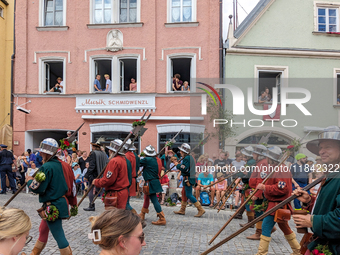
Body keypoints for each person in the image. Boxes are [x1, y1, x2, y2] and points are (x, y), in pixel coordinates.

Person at [292, 126, 340, 255]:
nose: (322, 151)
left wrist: (313, 221)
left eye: (328, 147)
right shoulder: (332, 173)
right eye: (320, 148)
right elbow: (330, 203)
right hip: (323, 242)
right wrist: (309, 201)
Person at [26, 138, 73, 254]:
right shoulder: (62, 165)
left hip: (52, 206)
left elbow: (38, 188)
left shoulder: (46, 167)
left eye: (42, 152)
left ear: (46, 153)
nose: (40, 154)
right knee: (42, 229)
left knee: (58, 234)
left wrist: (29, 181)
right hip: (58, 202)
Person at [254, 146, 300, 255]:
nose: (266, 158)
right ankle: (297, 251)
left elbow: (282, 189)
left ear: (271, 158)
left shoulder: (281, 169)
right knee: (285, 227)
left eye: (267, 157)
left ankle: (261, 253)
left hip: (278, 204)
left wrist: (265, 188)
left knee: (265, 227)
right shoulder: (276, 168)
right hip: (275, 204)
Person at [93, 139, 130, 210]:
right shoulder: (123, 159)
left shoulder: (114, 161)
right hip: (122, 191)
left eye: (110, 150)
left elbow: (108, 180)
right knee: (119, 215)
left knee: (114, 217)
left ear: (112, 151)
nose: (109, 151)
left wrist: (96, 182)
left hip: (116, 193)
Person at [173, 143, 205, 217]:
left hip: (188, 178)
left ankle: (200, 209)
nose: (180, 152)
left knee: (189, 195)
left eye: (181, 151)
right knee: (184, 193)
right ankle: (182, 209)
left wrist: (177, 165)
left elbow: (185, 168)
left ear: (183, 151)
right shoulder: (190, 157)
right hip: (187, 178)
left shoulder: (187, 158)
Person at [247, 144, 271, 240]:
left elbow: (261, 179)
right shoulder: (261, 162)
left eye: (254, 153)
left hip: (260, 192)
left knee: (259, 211)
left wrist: (257, 194)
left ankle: (259, 232)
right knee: (258, 210)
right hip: (258, 190)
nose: (252, 154)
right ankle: (268, 227)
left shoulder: (262, 163)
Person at [138, 145, 166, 225]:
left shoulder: (146, 159)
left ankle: (162, 218)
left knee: (154, 200)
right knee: (147, 197)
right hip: (153, 181)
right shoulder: (155, 159)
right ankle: (142, 214)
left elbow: (137, 163)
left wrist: (138, 156)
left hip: (151, 182)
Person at [83, 139, 109, 211]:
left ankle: (91, 205)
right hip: (101, 174)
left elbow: (92, 166)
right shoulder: (103, 153)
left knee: (90, 189)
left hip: (94, 175)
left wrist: (87, 175)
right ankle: (108, 201)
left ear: (94, 146)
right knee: (99, 189)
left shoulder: (93, 153)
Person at [236, 146, 256, 223]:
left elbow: (248, 173)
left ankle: (251, 221)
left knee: (248, 202)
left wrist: (240, 173)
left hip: (250, 184)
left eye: (245, 155)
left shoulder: (251, 162)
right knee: (245, 201)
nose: (244, 156)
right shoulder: (249, 162)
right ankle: (240, 214)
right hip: (248, 183)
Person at [124, 139, 138, 214]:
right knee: (127, 199)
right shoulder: (133, 155)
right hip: (132, 178)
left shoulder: (127, 156)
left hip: (127, 179)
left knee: (125, 202)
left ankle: (133, 214)